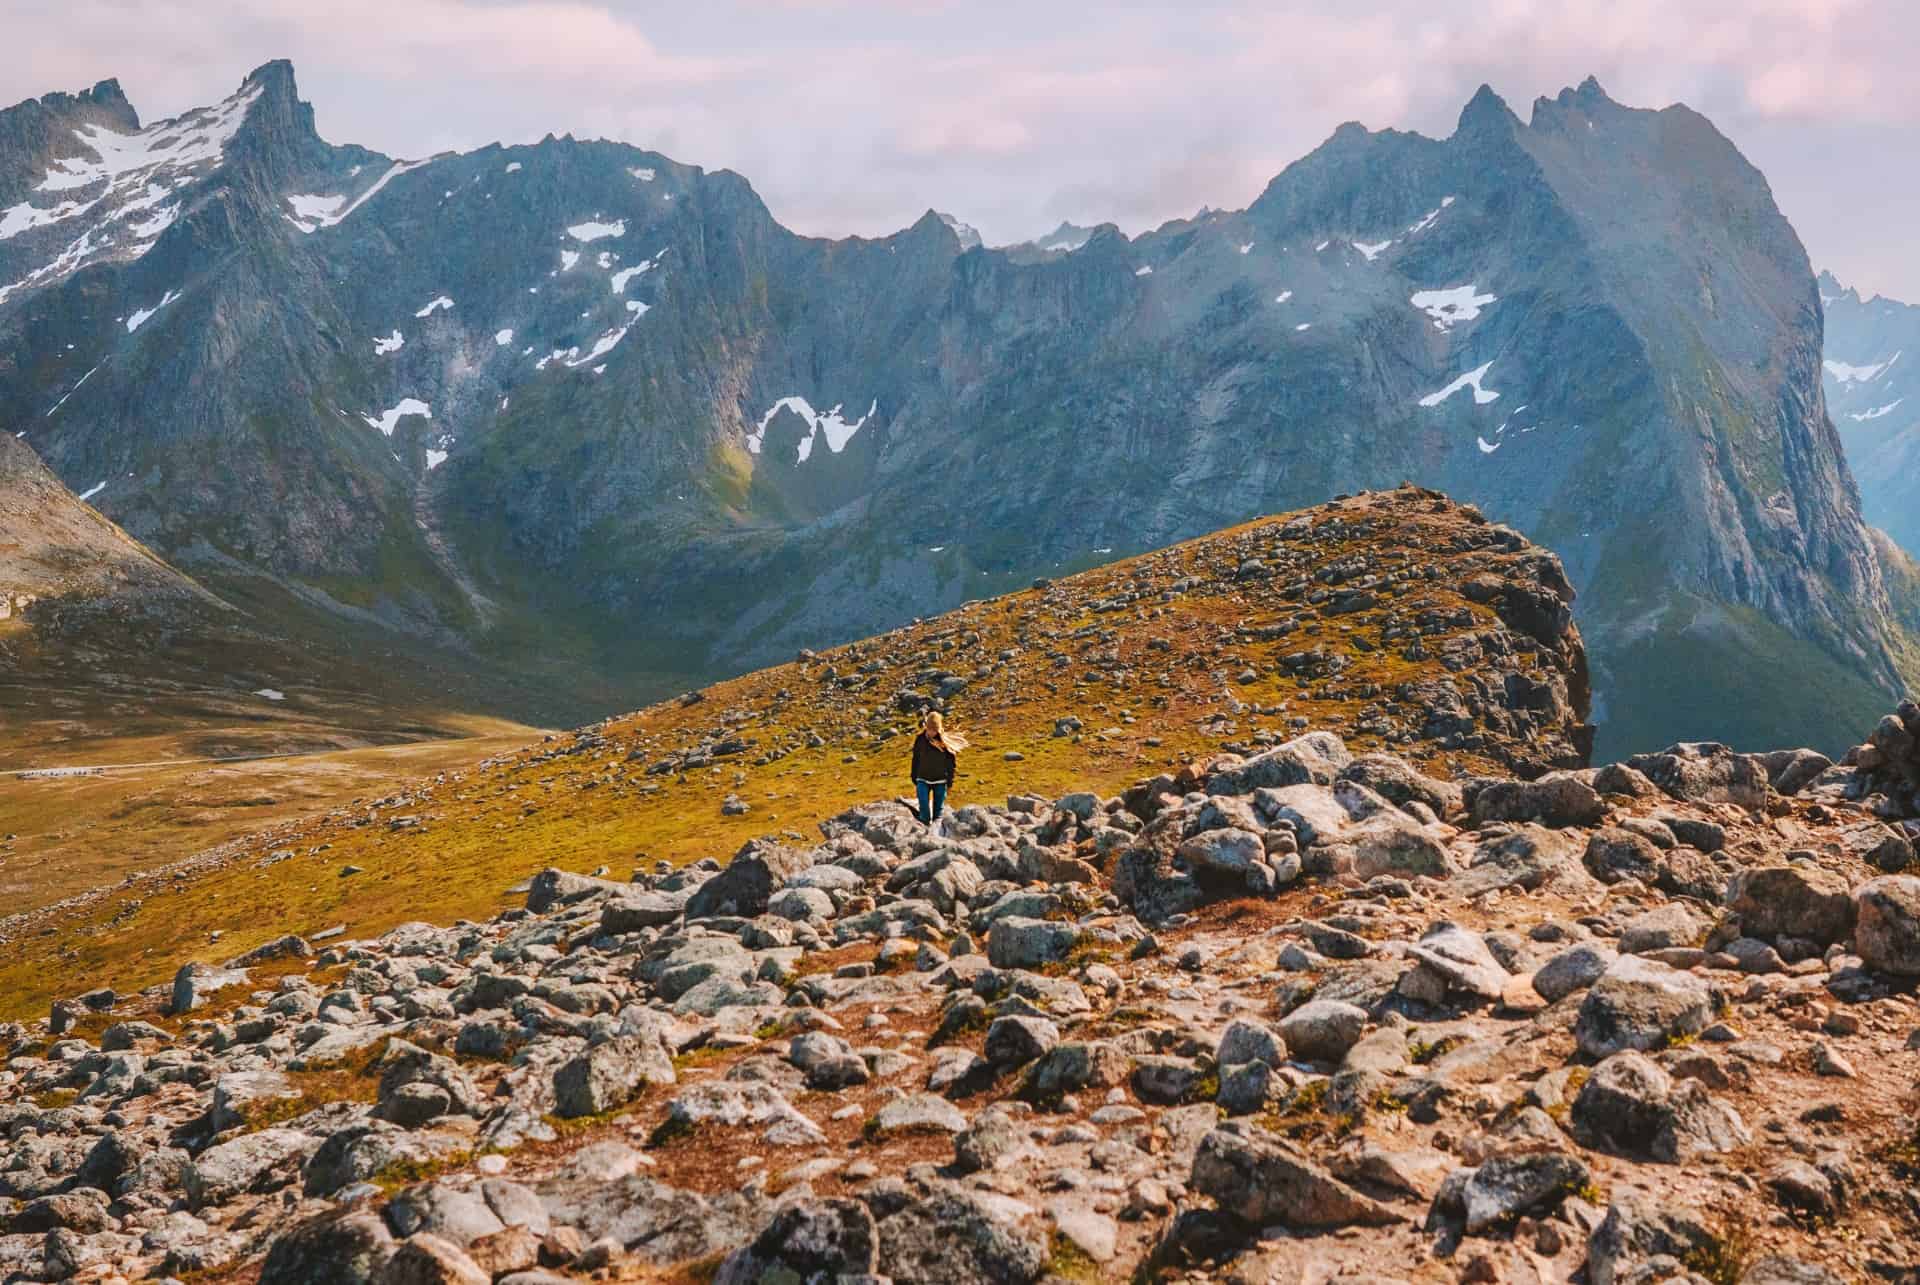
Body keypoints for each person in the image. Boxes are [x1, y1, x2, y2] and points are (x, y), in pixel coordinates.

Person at [909, 710, 967, 826]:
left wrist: (949, 781)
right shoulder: (920, 739)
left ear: (938, 729)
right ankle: (923, 830)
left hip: (940, 781)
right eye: (929, 729)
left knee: (938, 816)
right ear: (926, 727)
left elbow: (951, 764)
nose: (931, 732)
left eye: (934, 730)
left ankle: (935, 835)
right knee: (924, 810)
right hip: (922, 779)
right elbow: (915, 759)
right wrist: (914, 776)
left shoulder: (944, 743)